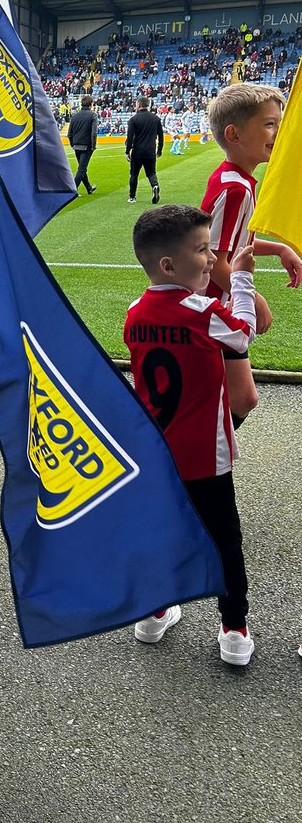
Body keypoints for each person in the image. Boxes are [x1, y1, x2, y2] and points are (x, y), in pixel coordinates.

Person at [124, 206, 257, 665]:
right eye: (202, 250)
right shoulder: (203, 312)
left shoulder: (133, 312)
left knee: (163, 532)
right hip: (205, 455)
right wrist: (240, 278)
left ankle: (155, 612)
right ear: (168, 265)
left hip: (157, 453)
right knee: (224, 541)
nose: (211, 257)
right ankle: (234, 629)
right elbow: (244, 335)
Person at [200, 84, 302, 426]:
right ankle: (202, 462)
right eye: (270, 124)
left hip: (216, 306)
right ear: (234, 134)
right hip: (210, 310)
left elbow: (234, 241)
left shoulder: (237, 180)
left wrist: (279, 248)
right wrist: (253, 296)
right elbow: (212, 258)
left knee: (234, 396)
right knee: (241, 398)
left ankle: (201, 455)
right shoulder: (235, 189)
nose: (278, 133)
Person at [125, 97, 163, 204]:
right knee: (151, 172)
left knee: (134, 174)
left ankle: (132, 197)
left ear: (138, 105)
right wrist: (159, 150)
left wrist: (127, 151)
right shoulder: (156, 119)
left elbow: (130, 137)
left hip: (137, 152)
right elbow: (161, 136)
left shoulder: (133, 119)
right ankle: (155, 186)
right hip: (150, 151)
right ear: (148, 105)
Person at [66, 94, 98, 195]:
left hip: (76, 145)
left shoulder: (74, 116)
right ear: (91, 104)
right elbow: (94, 133)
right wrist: (93, 146)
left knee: (82, 167)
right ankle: (73, 190)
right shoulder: (93, 115)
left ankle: (89, 188)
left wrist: (72, 144)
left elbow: (69, 133)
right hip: (86, 146)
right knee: (82, 169)